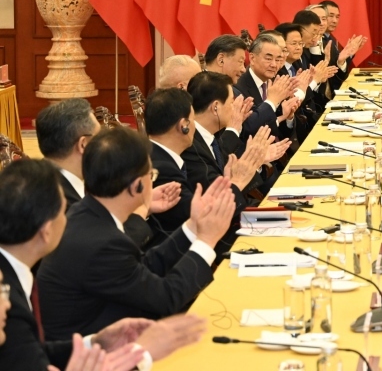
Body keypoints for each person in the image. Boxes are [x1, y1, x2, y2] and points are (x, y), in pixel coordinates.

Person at [0, 160, 207, 371]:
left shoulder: (12, 271)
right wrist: (142, 352)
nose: (68, 219)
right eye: (62, 212)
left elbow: (34, 353)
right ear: (46, 230)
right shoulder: (6, 298)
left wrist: (97, 343)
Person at [37, 128, 235, 339]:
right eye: (152, 175)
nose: (153, 181)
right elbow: (166, 298)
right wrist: (206, 241)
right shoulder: (102, 241)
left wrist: (194, 226)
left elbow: (143, 269)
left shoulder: (86, 213)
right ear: (136, 186)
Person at [34, 99, 171, 246]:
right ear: (83, 144)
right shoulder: (60, 202)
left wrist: (143, 206)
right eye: (100, 137)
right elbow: (108, 247)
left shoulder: (41, 178)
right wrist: (140, 210)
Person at [144, 88, 267, 250]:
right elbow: (203, 217)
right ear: (184, 126)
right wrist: (236, 183)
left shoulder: (160, 156)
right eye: (193, 120)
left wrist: (228, 182)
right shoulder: (162, 168)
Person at [235, 32, 301, 144]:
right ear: (252, 58)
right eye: (268, 59)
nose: (274, 65)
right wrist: (272, 101)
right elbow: (247, 131)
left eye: (278, 59)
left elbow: (281, 134)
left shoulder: (275, 83)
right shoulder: (239, 87)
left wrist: (288, 117)